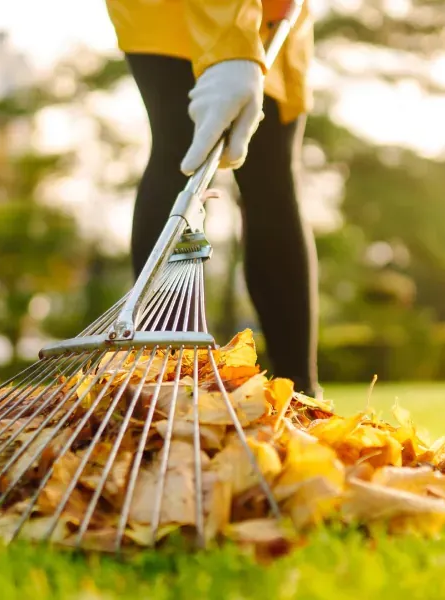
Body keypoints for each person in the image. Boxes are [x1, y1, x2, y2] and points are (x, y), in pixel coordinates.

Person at [103, 0, 320, 397]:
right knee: (180, 146)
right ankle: (168, 384)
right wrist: (230, 49)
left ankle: (301, 394)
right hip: (170, 13)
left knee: (273, 171)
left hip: (272, 15)